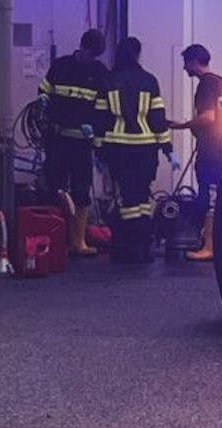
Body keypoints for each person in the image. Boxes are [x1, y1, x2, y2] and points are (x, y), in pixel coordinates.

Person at [93, 37, 176, 264]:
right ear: (138, 54)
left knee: (127, 196)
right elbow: (158, 118)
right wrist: (168, 149)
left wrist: (98, 150)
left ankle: (130, 247)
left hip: (118, 148)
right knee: (142, 195)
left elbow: (101, 119)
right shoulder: (150, 81)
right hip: (146, 147)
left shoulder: (108, 80)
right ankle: (144, 247)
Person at [38, 29, 110, 256]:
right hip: (57, 138)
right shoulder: (61, 66)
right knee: (53, 186)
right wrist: (42, 101)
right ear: (83, 47)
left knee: (81, 190)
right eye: (91, 53)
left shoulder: (99, 72)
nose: (93, 59)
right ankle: (53, 239)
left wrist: (96, 135)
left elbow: (103, 107)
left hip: (81, 143)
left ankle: (77, 242)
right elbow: (44, 91)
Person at [169, 44, 222, 262]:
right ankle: (212, 242)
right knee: (215, 195)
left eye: (186, 63)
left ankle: (209, 247)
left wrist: (183, 125)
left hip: (210, 150)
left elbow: (209, 117)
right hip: (220, 148)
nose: (185, 69)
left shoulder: (206, 85)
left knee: (208, 197)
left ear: (194, 61)